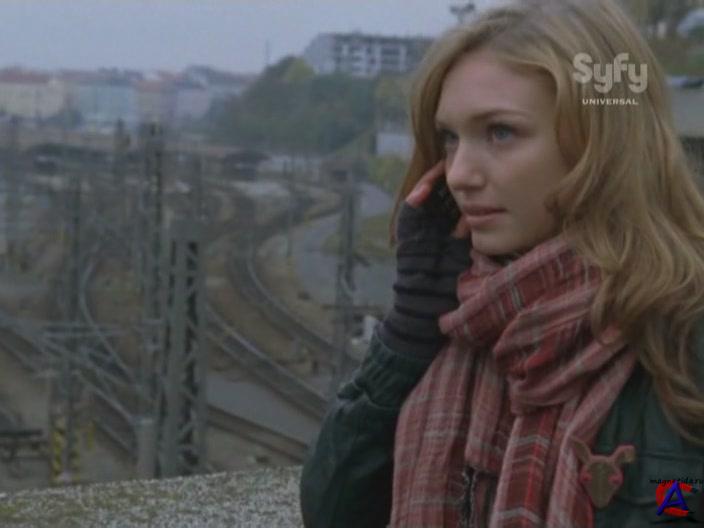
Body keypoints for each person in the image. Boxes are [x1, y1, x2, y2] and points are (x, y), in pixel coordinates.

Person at [300, 0, 704, 526]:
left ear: (601, 144)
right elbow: (335, 512)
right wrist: (410, 329)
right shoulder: (463, 316)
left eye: (500, 132)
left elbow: (678, 505)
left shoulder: (683, 335)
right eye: (450, 138)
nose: (459, 173)